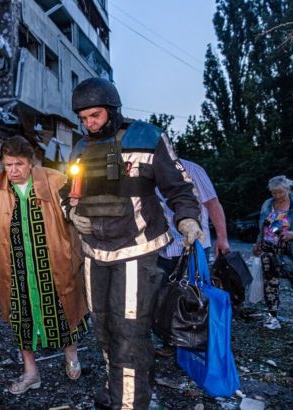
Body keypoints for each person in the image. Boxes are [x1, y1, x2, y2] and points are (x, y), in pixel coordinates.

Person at [65, 78, 202, 410]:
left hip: (137, 251)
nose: (89, 124)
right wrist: (71, 212)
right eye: (83, 118)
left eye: (95, 116)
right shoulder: (81, 148)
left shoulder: (148, 137)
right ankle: (119, 389)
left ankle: (130, 403)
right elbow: (69, 192)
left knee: (129, 331)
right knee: (103, 328)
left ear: (112, 110)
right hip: (93, 252)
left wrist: (187, 218)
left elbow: (180, 187)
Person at [0, 135, 88, 395]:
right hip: (17, 266)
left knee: (64, 310)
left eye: (19, 164)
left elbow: (76, 212)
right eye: (8, 165)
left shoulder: (55, 180)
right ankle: (31, 372)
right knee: (22, 318)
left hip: (53, 262)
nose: (13, 171)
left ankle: (71, 354)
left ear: (31, 163)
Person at [252, 175, 293, 330]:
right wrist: (258, 243)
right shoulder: (267, 204)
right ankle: (272, 315)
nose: (277, 195)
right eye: (273, 192)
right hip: (270, 249)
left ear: (288, 189)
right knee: (270, 281)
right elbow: (262, 225)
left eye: (280, 192)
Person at [157, 159, 230, 278]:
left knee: (194, 287)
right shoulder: (147, 171)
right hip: (159, 251)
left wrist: (222, 238)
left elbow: (212, 203)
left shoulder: (192, 169)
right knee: (160, 289)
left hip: (193, 248)